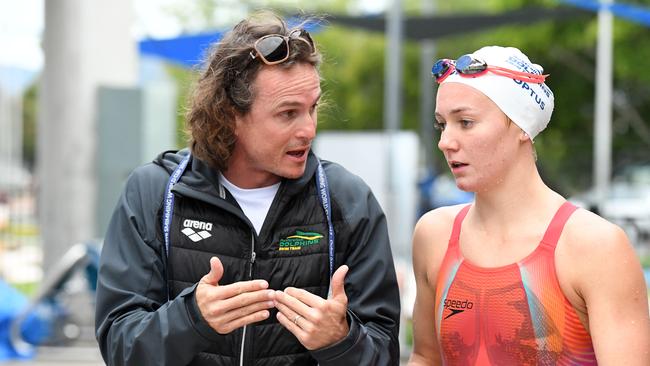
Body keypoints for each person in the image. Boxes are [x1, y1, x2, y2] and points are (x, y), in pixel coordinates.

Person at [95, 12, 401, 366]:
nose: (308, 130)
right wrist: (190, 320)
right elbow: (120, 346)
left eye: (312, 108)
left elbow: (384, 354)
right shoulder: (155, 193)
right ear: (229, 115)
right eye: (288, 113)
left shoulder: (347, 200)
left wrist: (341, 341)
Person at [408, 46, 650, 365]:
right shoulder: (433, 236)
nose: (445, 141)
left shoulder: (595, 247)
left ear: (521, 126)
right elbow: (425, 356)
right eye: (442, 125)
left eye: (465, 122)